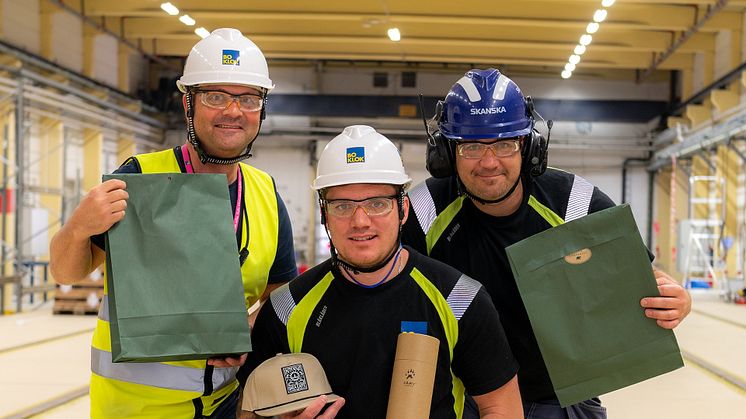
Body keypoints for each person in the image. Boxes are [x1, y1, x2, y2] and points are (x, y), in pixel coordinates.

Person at [402, 68, 693, 418]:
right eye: (472, 147)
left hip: (561, 396)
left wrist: (677, 301)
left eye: (505, 144)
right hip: (465, 397)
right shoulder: (422, 211)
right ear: (447, 153)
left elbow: (640, 280)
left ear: (529, 145)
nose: (489, 162)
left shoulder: (575, 203)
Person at [49, 28, 299, 418]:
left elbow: (279, 293)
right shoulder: (139, 178)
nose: (233, 111)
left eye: (248, 99)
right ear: (188, 103)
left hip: (226, 404)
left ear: (261, 110)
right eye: (216, 96)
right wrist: (79, 226)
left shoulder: (265, 192)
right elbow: (65, 271)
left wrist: (253, 323)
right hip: (136, 409)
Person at [241, 125, 523, 418]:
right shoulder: (286, 308)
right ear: (324, 213)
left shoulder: (459, 299)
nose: (360, 221)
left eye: (377, 204)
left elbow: (502, 409)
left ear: (402, 209)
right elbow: (247, 410)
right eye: (342, 206)